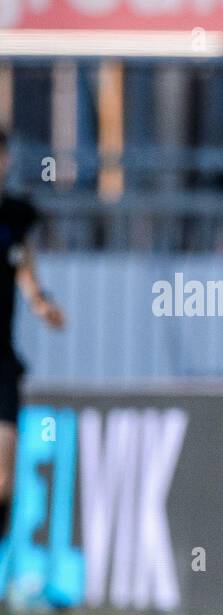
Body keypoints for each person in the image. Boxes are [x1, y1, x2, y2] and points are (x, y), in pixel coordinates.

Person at [0, 130, 65, 543]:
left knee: (3, 477)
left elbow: (21, 259)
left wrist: (39, 300)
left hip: (2, 362)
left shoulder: (16, 216)